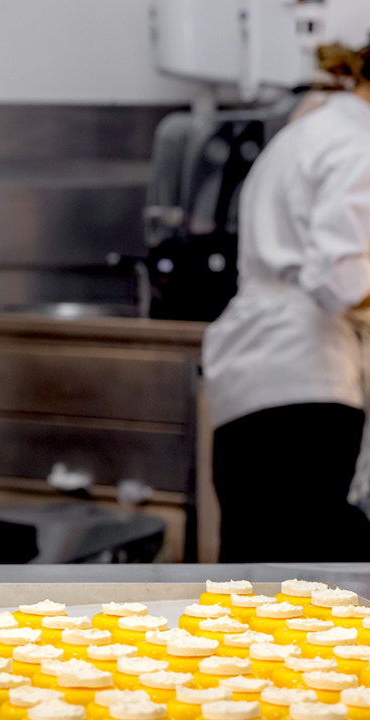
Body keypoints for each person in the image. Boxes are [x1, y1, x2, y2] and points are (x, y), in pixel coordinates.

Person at [201, 43, 370, 562]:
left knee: (255, 569)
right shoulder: (355, 142)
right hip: (306, 378)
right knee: (304, 577)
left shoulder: (310, 131)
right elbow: (341, 280)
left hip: (255, 372)